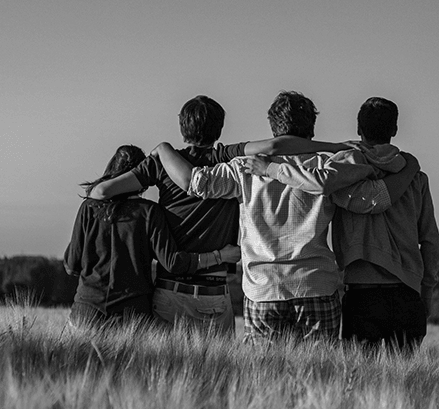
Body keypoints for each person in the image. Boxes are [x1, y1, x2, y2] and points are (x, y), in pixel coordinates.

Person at [151, 91, 420, 343]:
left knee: (264, 374)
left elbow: (196, 183)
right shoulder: (326, 167)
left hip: (263, 290)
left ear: (273, 127)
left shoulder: (244, 168)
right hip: (316, 286)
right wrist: (408, 169)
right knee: (320, 372)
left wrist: (163, 149)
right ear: (311, 129)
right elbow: (372, 200)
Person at [88, 96, 351, 333]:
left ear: (182, 127)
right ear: (220, 128)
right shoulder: (225, 157)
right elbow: (274, 146)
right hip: (218, 291)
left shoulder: (162, 162)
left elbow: (101, 192)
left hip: (173, 289)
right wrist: (336, 146)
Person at [246, 97, 439, 351]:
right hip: (408, 293)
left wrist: (271, 169)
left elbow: (331, 187)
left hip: (362, 294)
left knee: (358, 373)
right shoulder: (416, 178)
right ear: (394, 129)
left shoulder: (343, 171)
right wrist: (426, 292)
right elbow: (431, 240)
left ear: (359, 129)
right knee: (407, 374)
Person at [64, 144, 240, 329]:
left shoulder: (89, 208)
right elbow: (173, 263)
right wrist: (220, 256)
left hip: (86, 311)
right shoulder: (149, 212)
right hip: (132, 315)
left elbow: (71, 265)